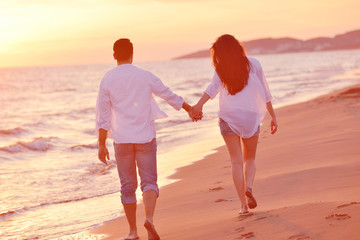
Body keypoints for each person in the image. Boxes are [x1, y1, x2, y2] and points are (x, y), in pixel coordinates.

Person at [96, 38, 193, 240]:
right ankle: (149, 218)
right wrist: (189, 109)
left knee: (127, 186)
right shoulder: (144, 75)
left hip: (122, 140)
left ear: (114, 55)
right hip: (145, 137)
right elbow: (168, 95)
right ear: (132, 54)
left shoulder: (107, 79)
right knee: (149, 182)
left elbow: (102, 115)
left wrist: (101, 144)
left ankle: (133, 232)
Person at [190, 34, 278, 215]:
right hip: (251, 117)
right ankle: (250, 188)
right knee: (250, 159)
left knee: (236, 161)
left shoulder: (221, 69)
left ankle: (243, 206)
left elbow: (211, 89)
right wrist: (273, 115)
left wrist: (198, 105)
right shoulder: (254, 64)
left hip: (229, 116)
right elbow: (265, 92)